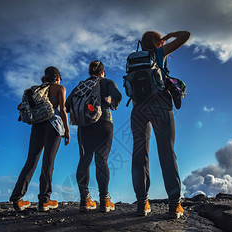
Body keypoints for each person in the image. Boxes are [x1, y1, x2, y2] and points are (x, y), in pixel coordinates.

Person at [131, 30, 190, 218]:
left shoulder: (134, 59)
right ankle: (174, 205)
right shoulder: (159, 52)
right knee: (166, 153)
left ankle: (142, 204)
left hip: (138, 109)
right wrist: (170, 35)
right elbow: (186, 35)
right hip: (160, 105)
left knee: (140, 155)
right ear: (158, 41)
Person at [10, 66, 70, 212]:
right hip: (53, 126)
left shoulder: (36, 90)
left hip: (37, 126)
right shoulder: (59, 88)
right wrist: (67, 131)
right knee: (48, 163)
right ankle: (44, 201)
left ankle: (17, 199)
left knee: (31, 161)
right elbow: (62, 109)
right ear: (57, 77)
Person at [66, 61, 122, 212]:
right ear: (103, 72)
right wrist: (111, 103)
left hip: (85, 126)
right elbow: (117, 96)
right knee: (101, 159)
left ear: (90, 72)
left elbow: (66, 105)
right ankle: (104, 200)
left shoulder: (81, 86)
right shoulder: (107, 82)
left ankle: (85, 200)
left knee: (84, 159)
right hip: (104, 122)